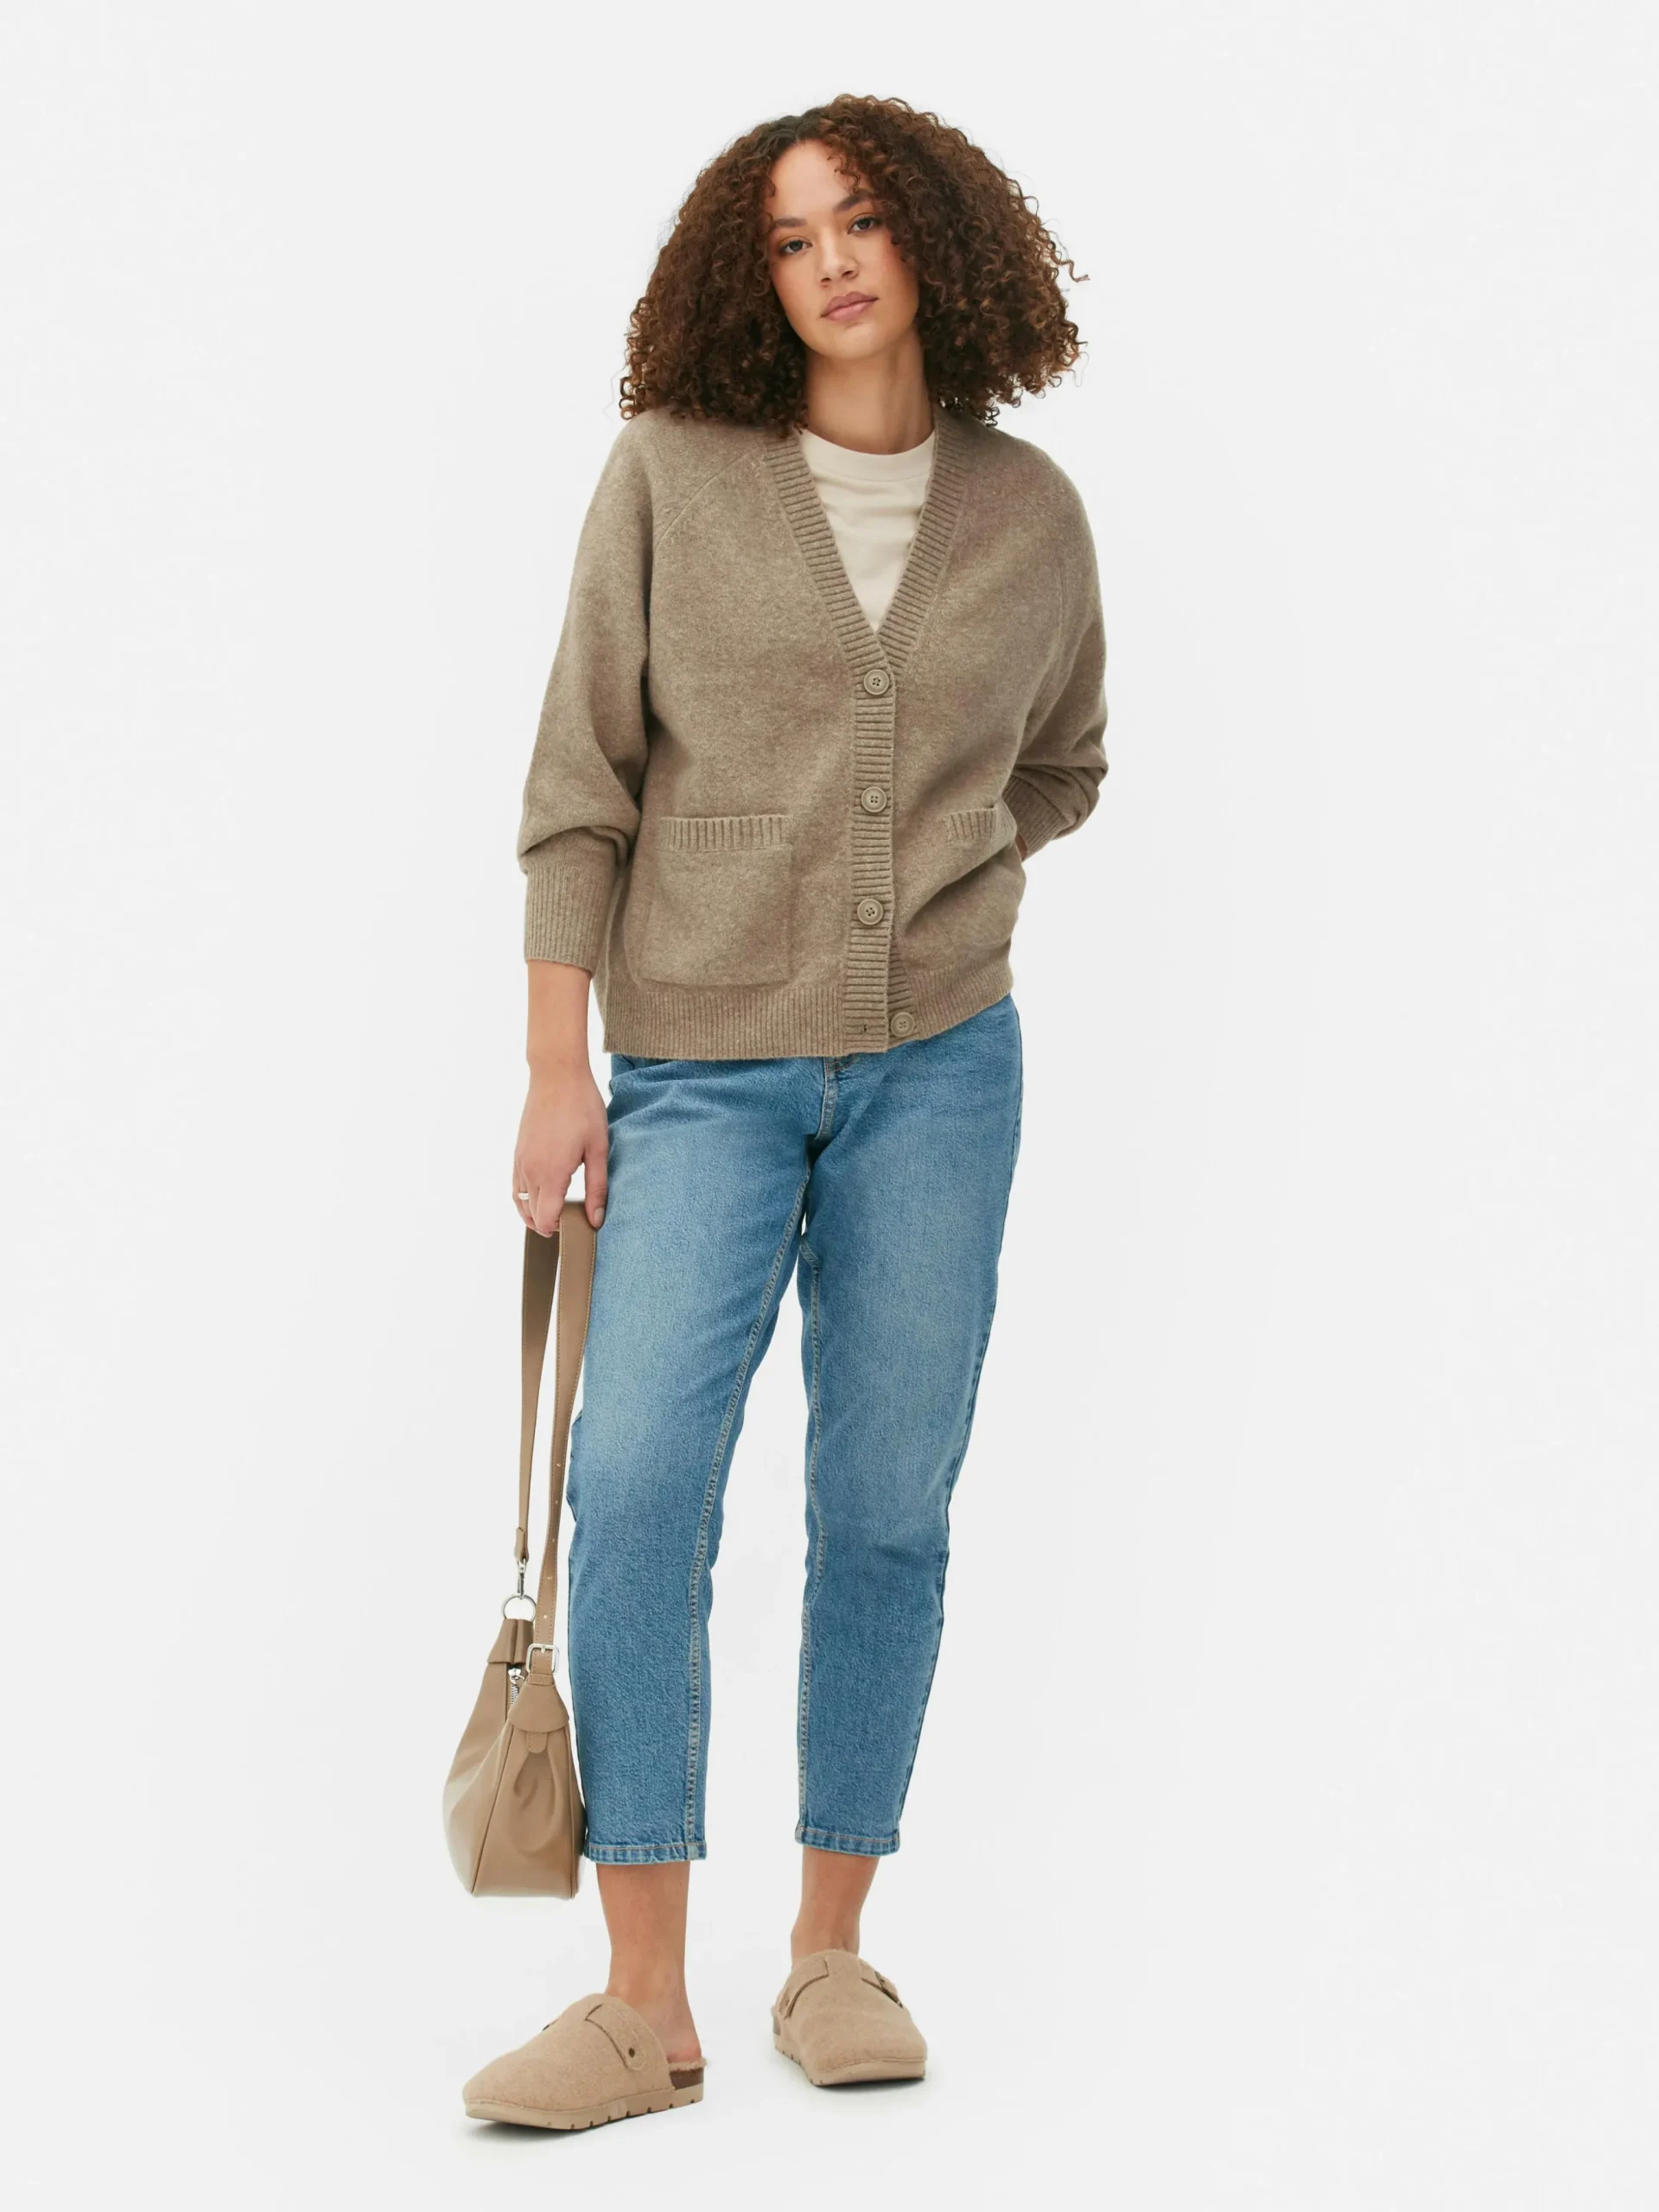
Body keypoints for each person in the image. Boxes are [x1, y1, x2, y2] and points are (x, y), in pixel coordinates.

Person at [462, 92, 1108, 2132]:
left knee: (889, 1501)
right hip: (697, 1071)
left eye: (864, 222)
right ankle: (643, 2001)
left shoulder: (1032, 514)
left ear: (936, 244)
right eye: (790, 237)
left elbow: (1066, 764)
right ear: (746, 283)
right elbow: (580, 785)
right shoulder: (670, 473)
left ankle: (832, 1947)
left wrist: (928, 881)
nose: (832, 262)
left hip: (946, 1068)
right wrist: (557, 1063)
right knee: (640, 1477)